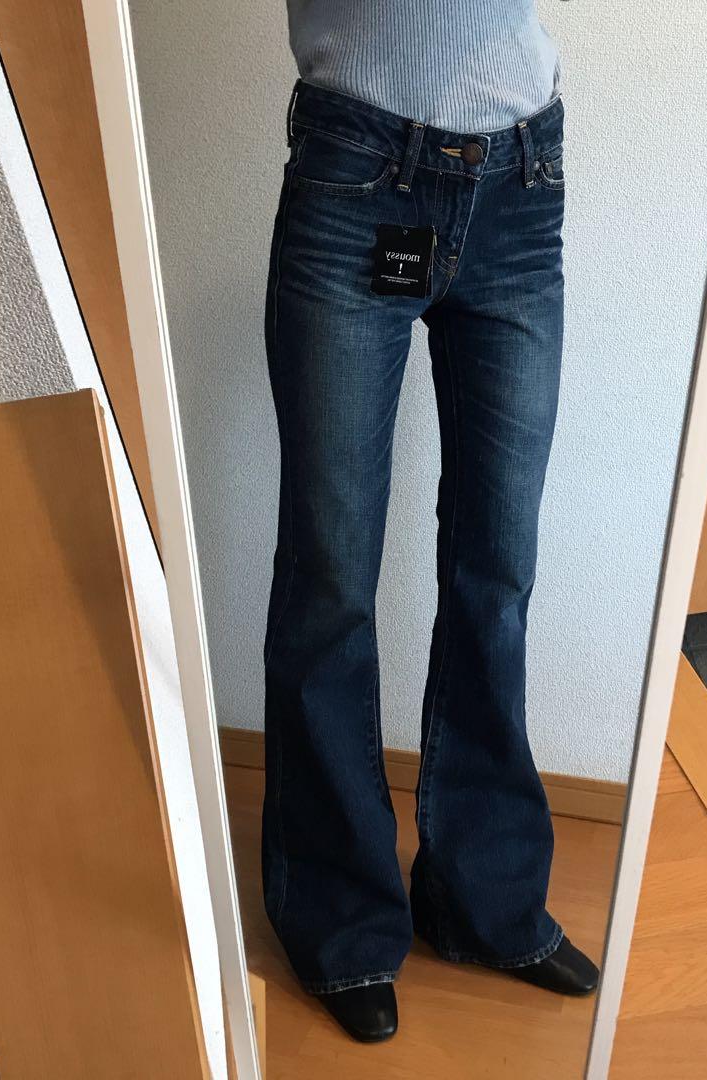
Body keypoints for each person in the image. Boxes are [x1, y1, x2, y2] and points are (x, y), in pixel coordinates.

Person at [261, 0, 599, 1042]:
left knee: (499, 569)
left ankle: (480, 899)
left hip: (521, 182)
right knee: (330, 576)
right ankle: (338, 921)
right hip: (356, 169)